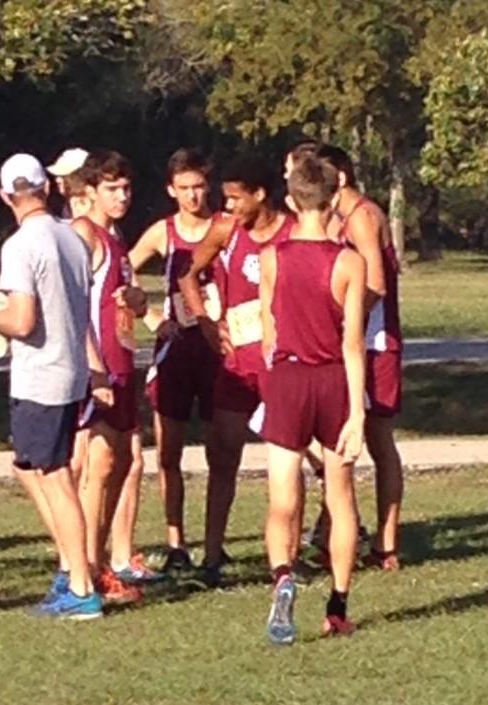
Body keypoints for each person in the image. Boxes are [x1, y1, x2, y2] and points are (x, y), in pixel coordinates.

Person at [0, 153, 102, 619]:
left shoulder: (22, 245)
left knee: (56, 478)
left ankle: (80, 584)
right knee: (33, 466)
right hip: (70, 370)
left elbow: (22, 321)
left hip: (41, 374)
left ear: (6, 196)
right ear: (46, 187)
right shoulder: (74, 237)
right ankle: (74, 568)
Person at [259, 155, 366, 644]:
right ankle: (338, 604)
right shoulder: (349, 262)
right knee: (339, 498)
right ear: (334, 198)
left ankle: (283, 575)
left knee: (283, 495)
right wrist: (358, 412)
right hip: (332, 382)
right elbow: (352, 343)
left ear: (290, 200)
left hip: (287, 376)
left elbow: (267, 331)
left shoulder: (272, 258)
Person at [178, 154, 295, 586]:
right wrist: (205, 322)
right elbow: (188, 274)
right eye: (224, 198)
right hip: (236, 364)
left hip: (281, 362)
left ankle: (289, 558)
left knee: (290, 460)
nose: (227, 207)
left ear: (260, 195)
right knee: (223, 455)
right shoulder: (226, 231)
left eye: (235, 198)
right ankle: (212, 555)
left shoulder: (291, 232)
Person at [128, 148, 221, 571]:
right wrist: (148, 315)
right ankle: (176, 543)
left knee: (222, 451)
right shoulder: (163, 233)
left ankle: (215, 545)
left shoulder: (225, 228)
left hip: (218, 350)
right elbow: (119, 270)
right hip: (176, 350)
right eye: (184, 189)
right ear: (171, 190)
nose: (192, 196)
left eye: (199, 187)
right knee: (169, 453)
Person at [317, 144, 405, 571]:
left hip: (374, 342)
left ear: (340, 178)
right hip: (349, 343)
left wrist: (343, 318)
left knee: (377, 439)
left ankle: (387, 544)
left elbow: (376, 284)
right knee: (336, 435)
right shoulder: (334, 220)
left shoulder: (364, 216)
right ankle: (329, 526)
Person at [70, 150, 149, 603]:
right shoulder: (86, 232)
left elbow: (116, 301)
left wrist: (137, 300)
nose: (122, 196)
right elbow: (73, 302)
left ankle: (99, 563)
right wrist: (92, 367)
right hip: (99, 367)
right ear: (91, 192)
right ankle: (84, 568)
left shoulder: (118, 241)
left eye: (126, 188)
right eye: (112, 189)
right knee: (97, 467)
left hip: (122, 363)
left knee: (118, 465)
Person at [47, 147, 89, 219]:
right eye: (57, 176)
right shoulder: (64, 205)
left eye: (64, 176)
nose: (57, 180)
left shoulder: (93, 206)